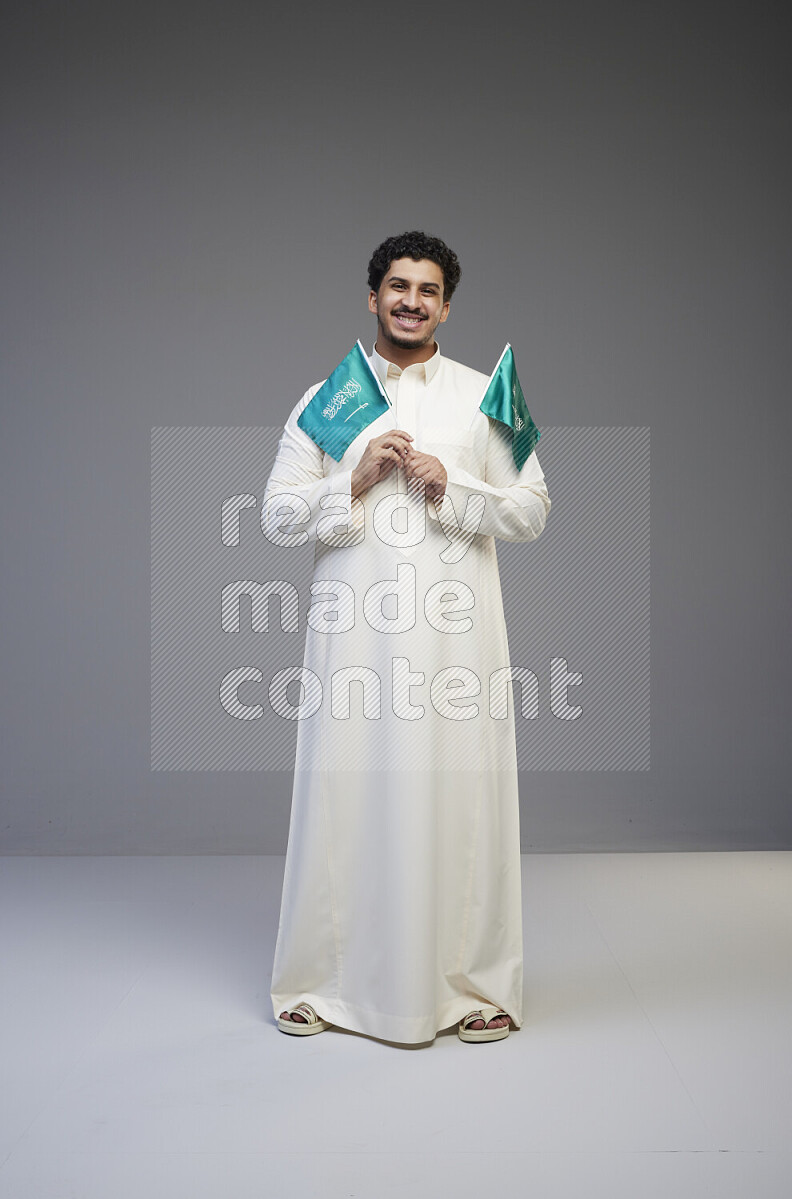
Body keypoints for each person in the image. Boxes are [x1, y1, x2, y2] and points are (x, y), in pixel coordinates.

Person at [263, 231, 551, 1045]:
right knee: (342, 794)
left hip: (457, 644)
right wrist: (348, 480)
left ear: (447, 306)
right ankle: (320, 982)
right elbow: (276, 516)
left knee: (462, 796)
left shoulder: (485, 394)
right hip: (353, 636)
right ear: (372, 297)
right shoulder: (327, 399)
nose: (411, 301)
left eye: (428, 289)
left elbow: (532, 510)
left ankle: (473, 988)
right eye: (397, 285)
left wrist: (450, 482)